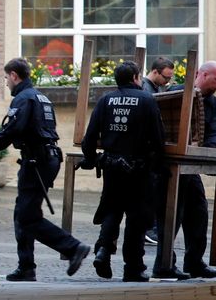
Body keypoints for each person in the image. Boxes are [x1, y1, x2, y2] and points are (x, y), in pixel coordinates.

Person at [0, 58, 90, 282]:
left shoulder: (23, 98)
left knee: (27, 216)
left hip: (37, 161)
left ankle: (73, 247)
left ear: (15, 76)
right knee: (23, 213)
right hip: (44, 159)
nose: (6, 82)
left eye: (6, 78)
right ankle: (26, 267)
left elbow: (10, 131)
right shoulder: (41, 96)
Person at [80, 61, 166, 282]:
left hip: (111, 166)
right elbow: (158, 139)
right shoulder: (147, 100)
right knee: (137, 218)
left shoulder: (105, 100)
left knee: (112, 209)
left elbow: (89, 138)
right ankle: (133, 267)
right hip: (138, 168)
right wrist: (159, 166)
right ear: (137, 77)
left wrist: (91, 159)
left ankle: (103, 252)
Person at [152, 60, 216, 280]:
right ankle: (164, 264)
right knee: (172, 215)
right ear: (202, 75)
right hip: (169, 165)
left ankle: (194, 262)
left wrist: (209, 151)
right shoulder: (175, 94)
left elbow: (213, 131)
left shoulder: (212, 104)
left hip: (190, 166)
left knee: (199, 213)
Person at [141, 58, 175, 245]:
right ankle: (149, 229)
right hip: (148, 149)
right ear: (155, 72)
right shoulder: (146, 90)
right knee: (152, 189)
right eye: (165, 78)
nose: (167, 82)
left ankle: (151, 228)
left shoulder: (155, 88)